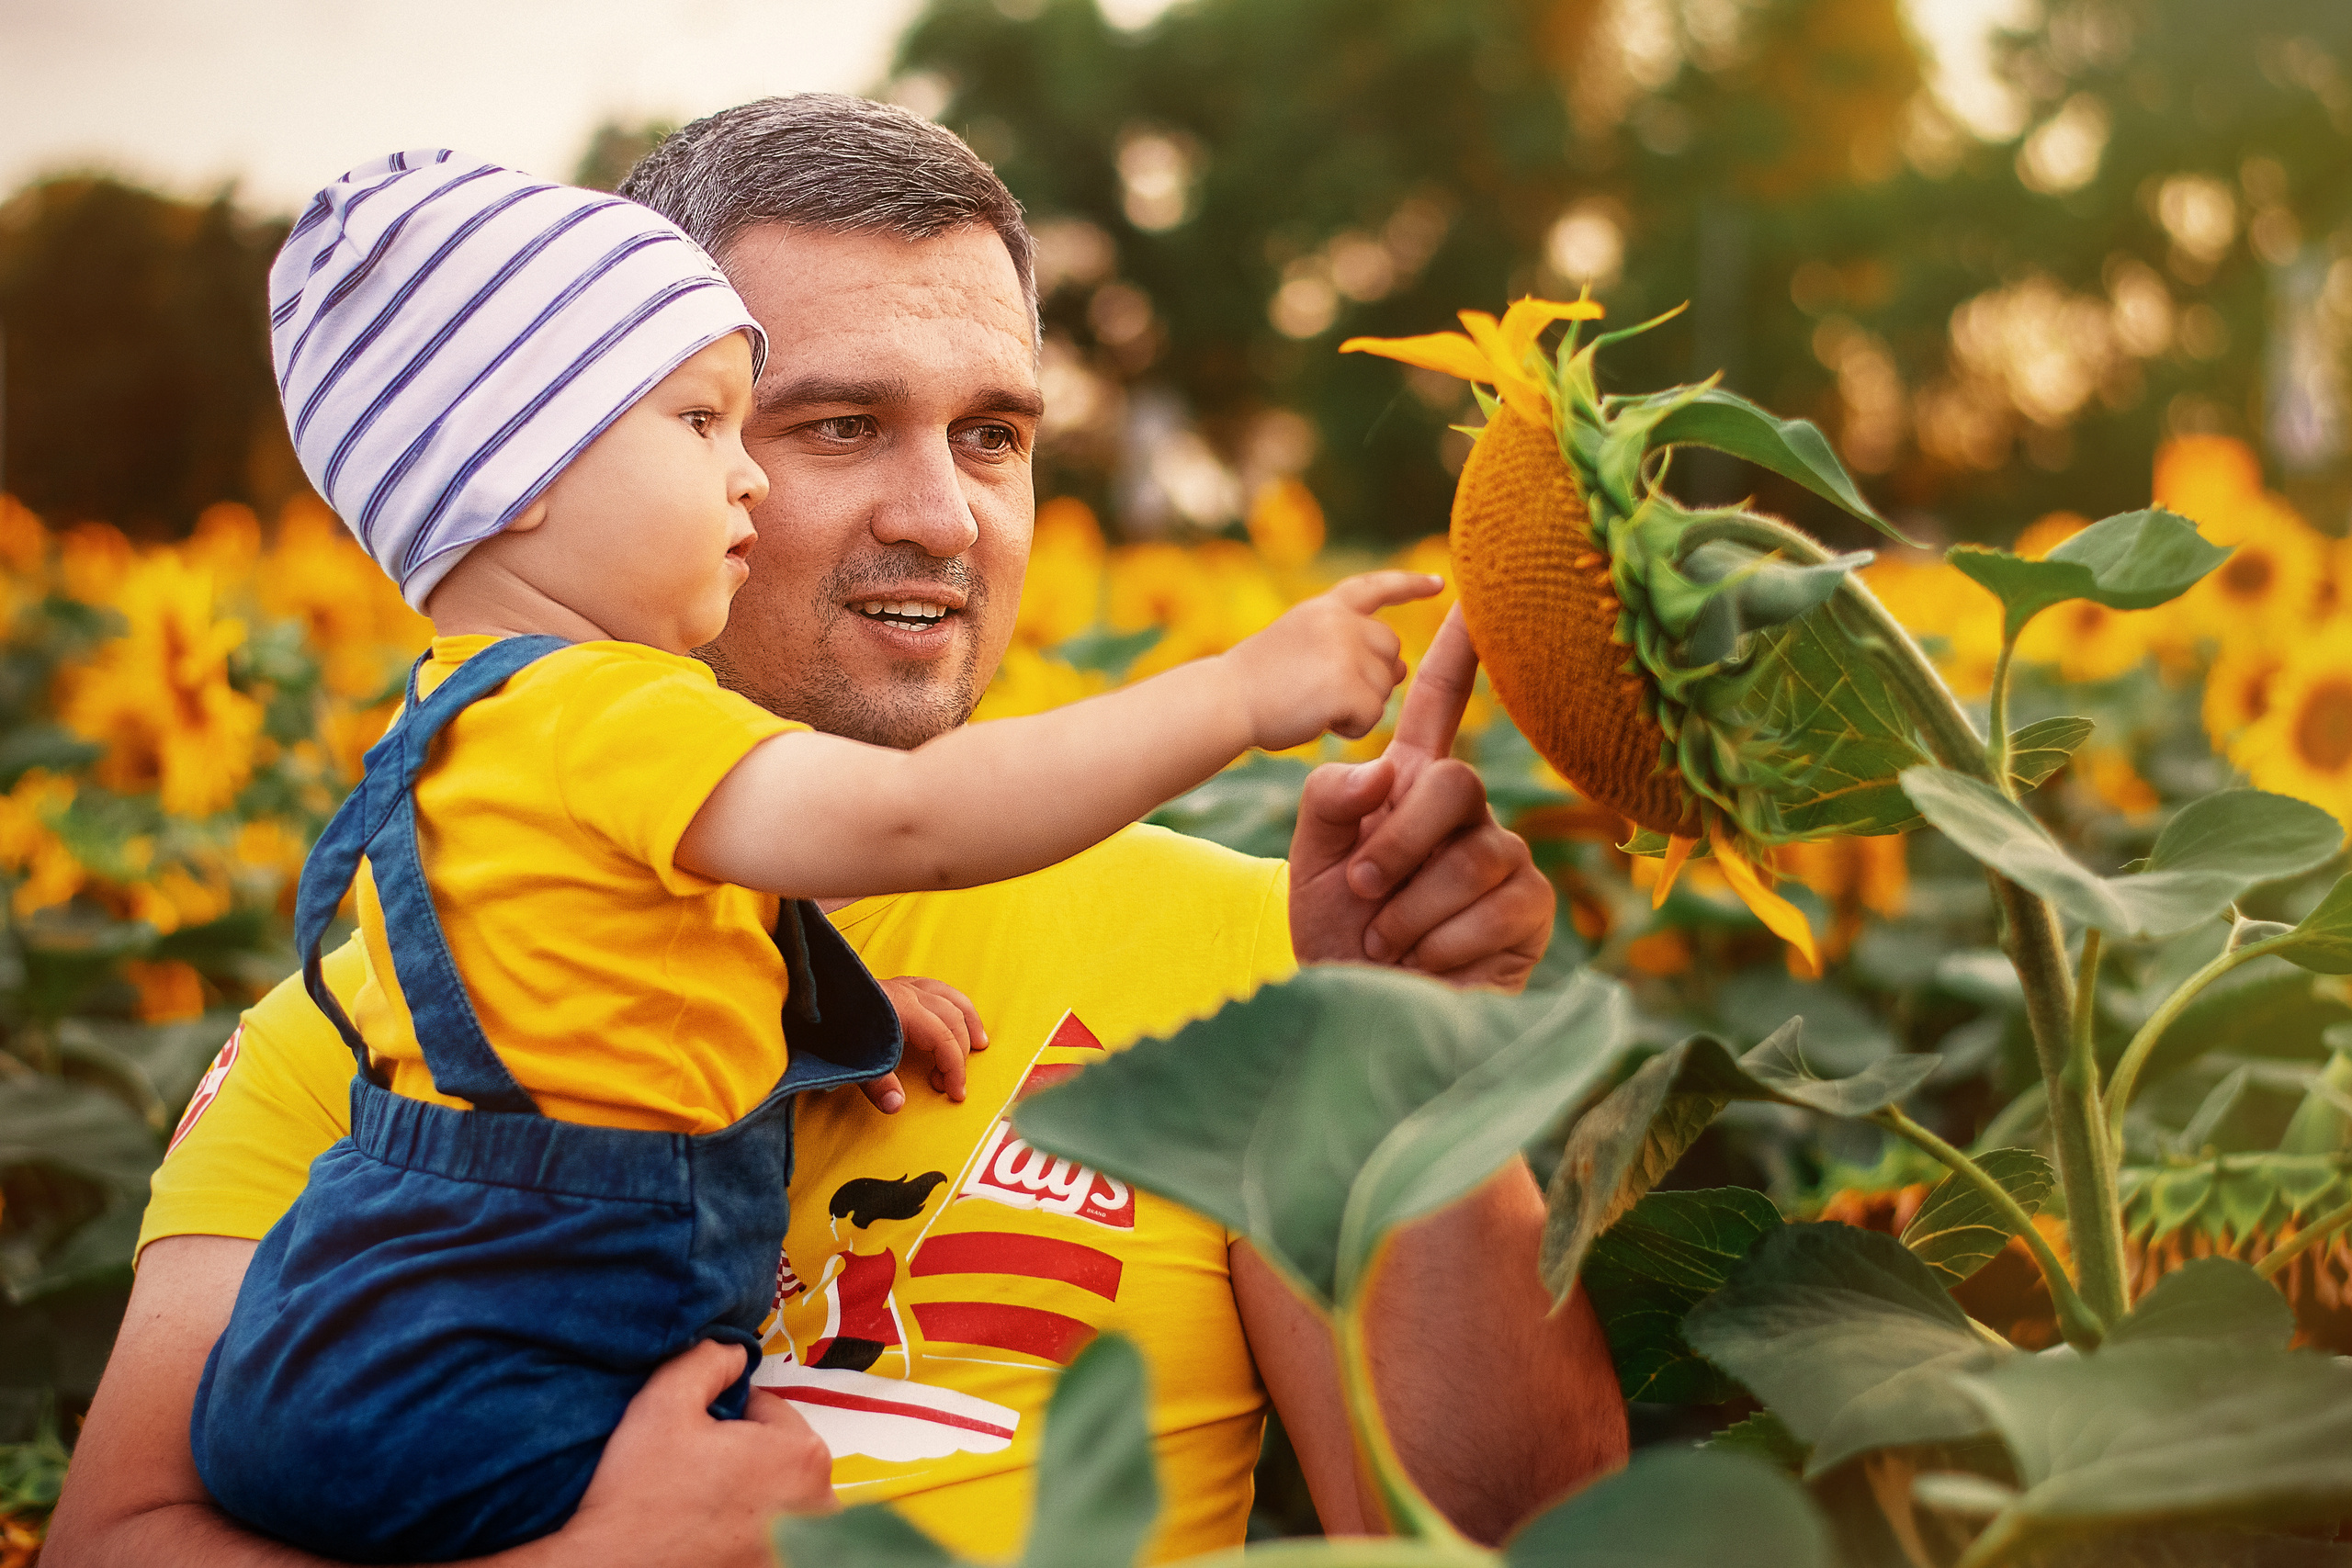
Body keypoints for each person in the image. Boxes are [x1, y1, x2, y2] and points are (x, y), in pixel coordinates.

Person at [45, 96, 1625, 1568]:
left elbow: (1502, 1537)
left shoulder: (1249, 949)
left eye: (994, 434)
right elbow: (115, 1542)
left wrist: (1409, 1060)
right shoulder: (406, 1000)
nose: (944, 516)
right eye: (833, 426)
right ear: (554, 462)